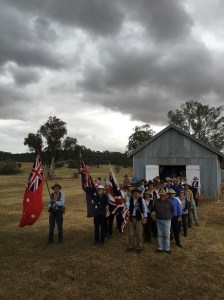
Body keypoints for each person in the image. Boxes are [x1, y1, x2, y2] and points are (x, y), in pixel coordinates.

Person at [126, 188, 148, 253]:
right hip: (131, 218)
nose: (136, 193)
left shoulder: (142, 200)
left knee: (139, 234)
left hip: (139, 219)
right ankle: (131, 246)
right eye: (135, 192)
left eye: (137, 192)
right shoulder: (129, 199)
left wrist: (145, 217)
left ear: (139, 193)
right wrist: (126, 215)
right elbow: (126, 207)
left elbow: (145, 209)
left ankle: (139, 247)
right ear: (133, 193)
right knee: (131, 234)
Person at [154, 189, 174, 254]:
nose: (162, 196)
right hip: (158, 220)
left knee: (167, 235)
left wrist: (168, 215)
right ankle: (160, 248)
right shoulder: (156, 201)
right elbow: (154, 209)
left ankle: (167, 249)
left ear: (166, 195)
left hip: (167, 220)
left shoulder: (169, 202)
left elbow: (173, 210)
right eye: (161, 195)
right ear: (159, 195)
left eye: (163, 195)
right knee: (160, 234)